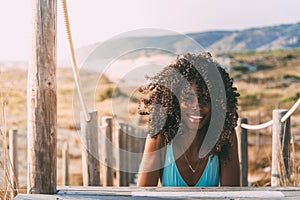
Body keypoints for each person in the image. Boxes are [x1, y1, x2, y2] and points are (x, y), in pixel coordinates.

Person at [137, 52, 240, 187]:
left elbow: (232, 195)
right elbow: (142, 195)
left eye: (205, 99)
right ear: (174, 100)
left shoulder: (224, 136)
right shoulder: (160, 136)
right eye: (188, 98)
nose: (197, 107)